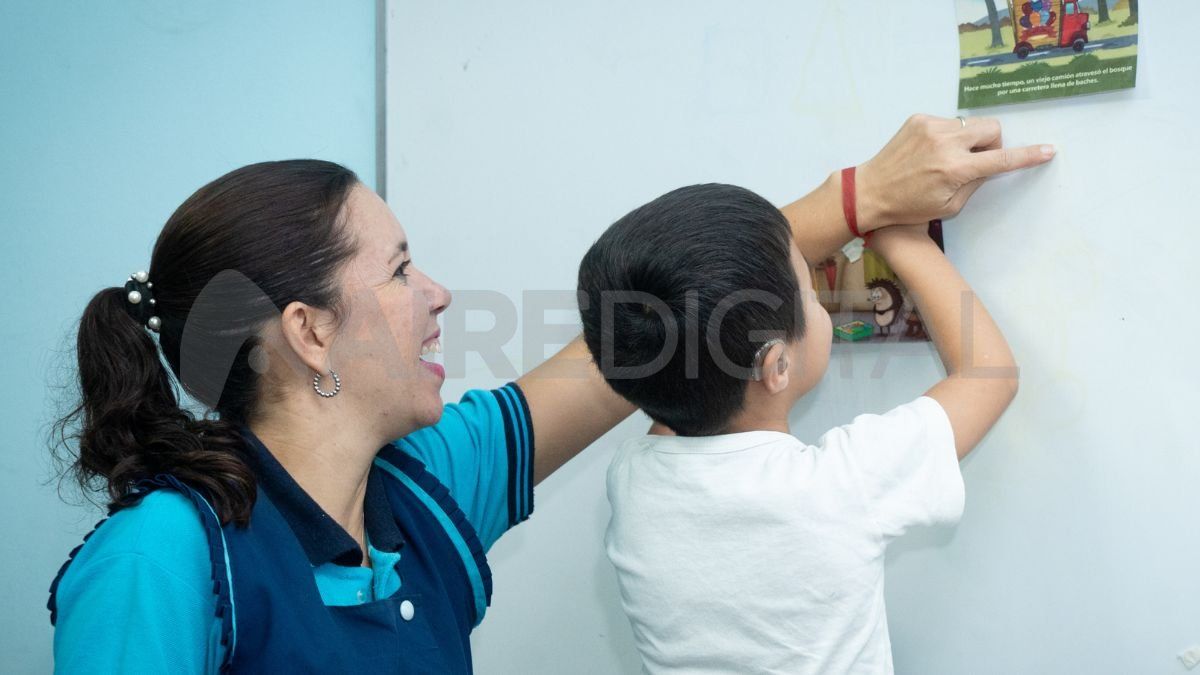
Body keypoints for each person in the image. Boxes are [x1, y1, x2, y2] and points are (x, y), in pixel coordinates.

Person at [47, 115, 1050, 673]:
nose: (437, 296)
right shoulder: (165, 559)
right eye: (400, 272)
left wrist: (857, 203)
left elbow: (656, 330)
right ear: (309, 332)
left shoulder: (424, 488)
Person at [576, 142, 1040, 672]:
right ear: (775, 366)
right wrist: (902, 238)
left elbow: (674, 377)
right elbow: (990, 376)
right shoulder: (838, 486)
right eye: (809, 288)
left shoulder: (633, 480)